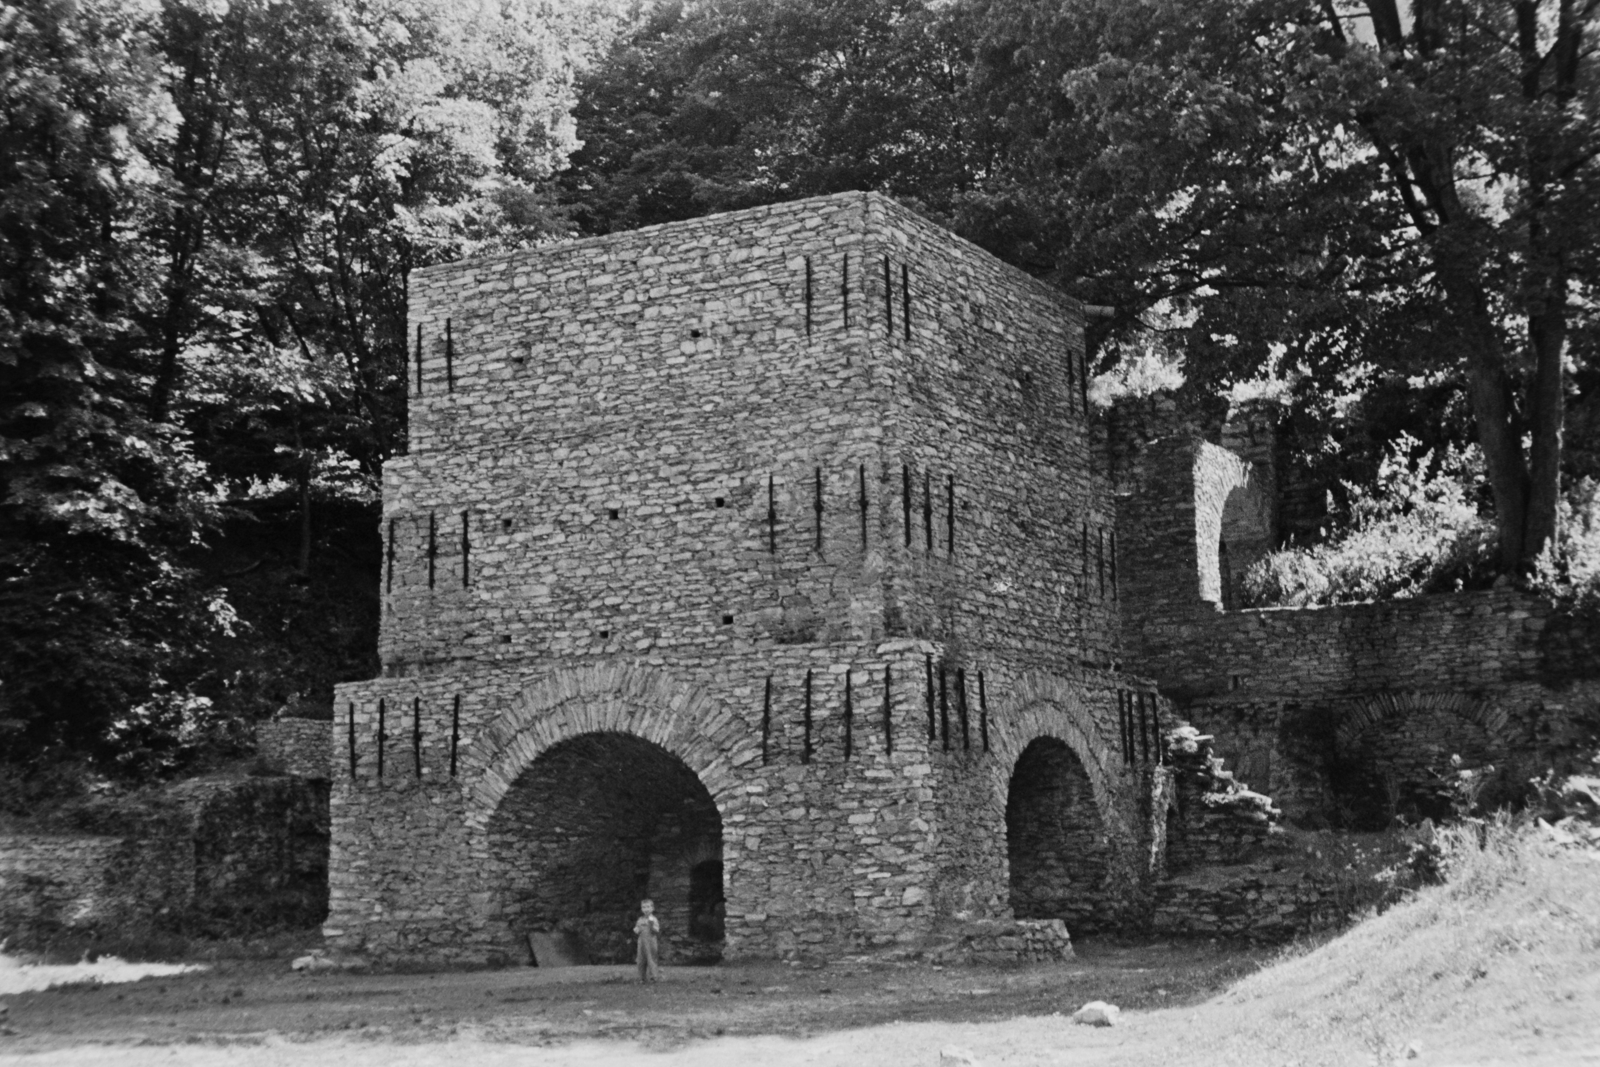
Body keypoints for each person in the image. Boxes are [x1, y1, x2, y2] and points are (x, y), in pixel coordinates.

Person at [633, 899, 661, 983]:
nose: (646, 909)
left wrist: (651, 925)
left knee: (651, 959)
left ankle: (654, 977)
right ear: (641, 909)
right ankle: (641, 978)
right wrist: (637, 929)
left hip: (651, 942)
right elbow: (637, 929)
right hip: (641, 943)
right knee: (640, 960)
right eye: (644, 907)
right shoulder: (640, 919)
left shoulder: (653, 919)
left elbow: (656, 931)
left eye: (648, 907)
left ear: (652, 908)